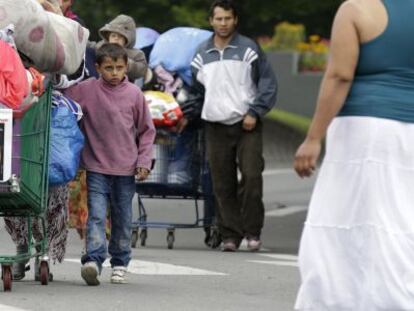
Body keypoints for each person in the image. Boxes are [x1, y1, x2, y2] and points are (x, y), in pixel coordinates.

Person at [293, 0, 414, 309]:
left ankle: (336, 302)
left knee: (340, 219)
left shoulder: (357, 9)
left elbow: (339, 75)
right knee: (401, 221)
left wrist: (313, 137)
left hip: (364, 130)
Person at [178, 0, 277, 252]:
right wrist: (189, 114)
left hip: (247, 124)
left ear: (235, 20)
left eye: (227, 19)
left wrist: (255, 111)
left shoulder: (249, 49)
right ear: (211, 21)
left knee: (252, 177)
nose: (223, 24)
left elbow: (267, 83)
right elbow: (197, 91)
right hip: (214, 125)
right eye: (218, 19)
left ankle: (252, 232)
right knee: (222, 183)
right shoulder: (201, 53)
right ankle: (230, 235)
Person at [63, 43, 155, 285]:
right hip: (95, 167)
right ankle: (92, 260)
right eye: (109, 68)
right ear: (97, 68)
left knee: (123, 217)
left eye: (120, 68)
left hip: (126, 169)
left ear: (127, 68)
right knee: (96, 215)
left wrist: (144, 161)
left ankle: (120, 262)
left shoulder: (135, 94)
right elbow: (63, 100)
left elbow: (147, 131)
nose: (115, 73)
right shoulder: (85, 90)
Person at [88, 14, 150, 83]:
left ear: (127, 39)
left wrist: (127, 63)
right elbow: (90, 46)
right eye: (113, 35)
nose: (116, 38)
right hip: (101, 84)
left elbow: (142, 70)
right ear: (108, 37)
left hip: (125, 87)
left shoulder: (136, 54)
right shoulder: (101, 47)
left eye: (120, 36)